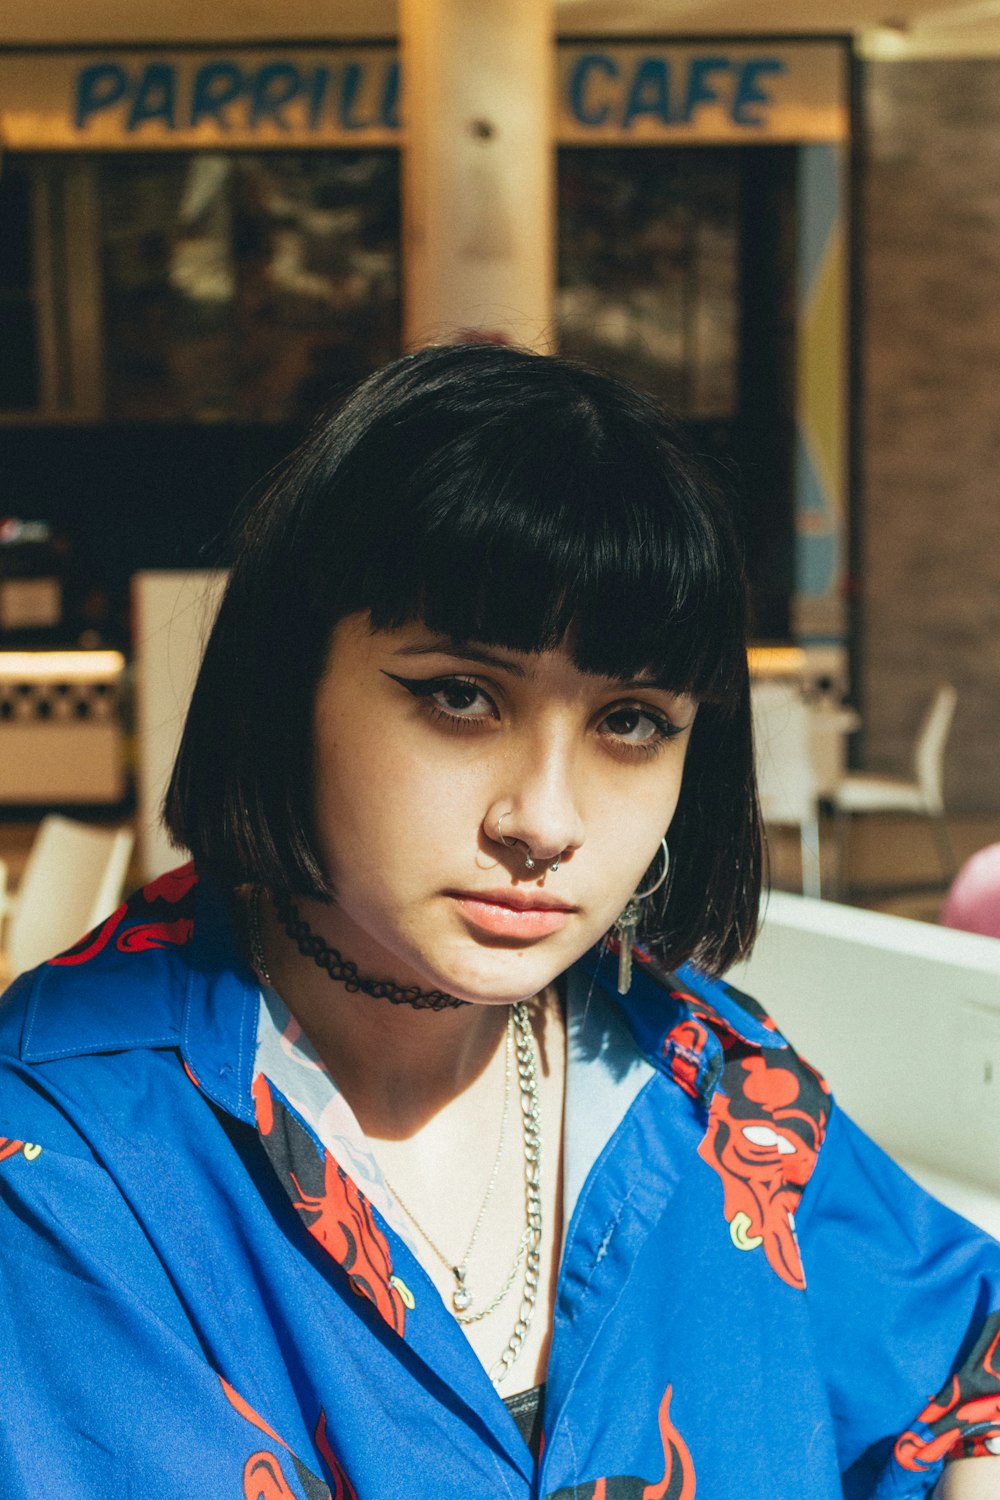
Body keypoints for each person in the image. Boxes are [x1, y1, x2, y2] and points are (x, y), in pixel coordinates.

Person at [1, 343, 999, 1500]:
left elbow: (966, 1360)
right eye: (461, 696)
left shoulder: (705, 1075)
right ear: (290, 684)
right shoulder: (68, 1156)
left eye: (630, 721)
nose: (547, 820)